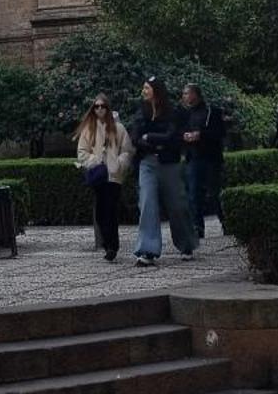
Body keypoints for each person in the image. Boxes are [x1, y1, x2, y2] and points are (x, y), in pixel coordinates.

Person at [130, 76, 196, 266]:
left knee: (177, 205)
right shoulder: (141, 111)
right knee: (147, 203)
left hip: (170, 163)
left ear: (156, 90)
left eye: (147, 88)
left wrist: (149, 136)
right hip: (147, 163)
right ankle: (147, 250)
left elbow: (173, 137)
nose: (144, 91)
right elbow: (135, 137)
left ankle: (186, 244)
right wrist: (151, 142)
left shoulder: (173, 112)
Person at [74, 95, 133, 263]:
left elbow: (127, 150)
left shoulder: (119, 128)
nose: (99, 109)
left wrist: (119, 164)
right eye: (96, 107)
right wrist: (95, 161)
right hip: (99, 175)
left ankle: (112, 247)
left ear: (107, 108)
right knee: (100, 213)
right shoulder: (88, 129)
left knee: (111, 211)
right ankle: (108, 243)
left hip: (114, 176)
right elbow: (82, 152)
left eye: (102, 106)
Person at [181, 83, 226, 240]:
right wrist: (185, 137)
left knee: (214, 193)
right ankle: (197, 227)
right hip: (193, 158)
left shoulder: (211, 112)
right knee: (193, 193)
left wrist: (201, 135)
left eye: (187, 93)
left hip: (211, 159)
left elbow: (220, 133)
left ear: (195, 94)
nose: (184, 96)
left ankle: (225, 221)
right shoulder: (186, 114)